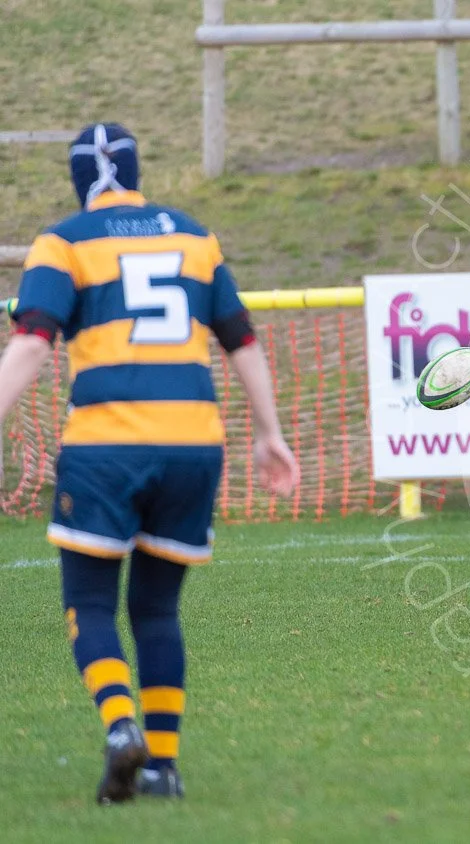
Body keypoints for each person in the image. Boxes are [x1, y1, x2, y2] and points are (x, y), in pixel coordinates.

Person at [0, 124, 300, 804]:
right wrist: (270, 432)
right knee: (158, 610)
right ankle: (163, 767)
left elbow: (32, 346)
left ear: (79, 179)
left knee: (90, 601)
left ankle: (119, 728)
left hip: (107, 443)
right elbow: (242, 340)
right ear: (136, 171)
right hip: (194, 443)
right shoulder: (195, 237)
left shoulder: (63, 241)